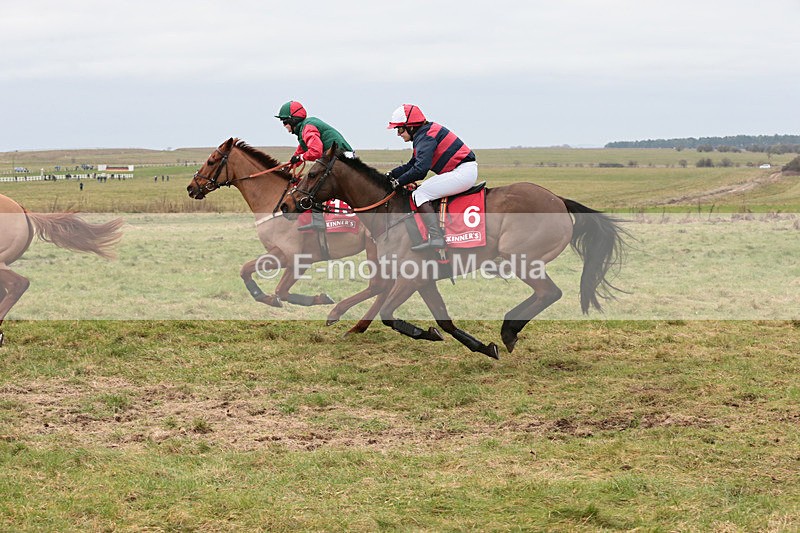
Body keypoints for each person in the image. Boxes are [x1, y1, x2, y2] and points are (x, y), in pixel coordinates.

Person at [386, 104, 478, 251]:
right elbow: (412, 164)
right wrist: (390, 175)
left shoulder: (426, 137)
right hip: (461, 171)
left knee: (420, 193)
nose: (398, 134)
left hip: (462, 172)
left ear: (410, 126)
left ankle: (437, 238)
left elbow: (420, 170)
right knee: (423, 191)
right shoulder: (424, 134)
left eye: (400, 129)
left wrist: (397, 182)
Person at [275, 100, 354, 231]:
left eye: (285, 122)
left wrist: (300, 157)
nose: (284, 126)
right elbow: (300, 151)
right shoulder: (304, 129)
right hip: (336, 158)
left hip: (342, 158)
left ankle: (318, 221)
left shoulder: (308, 128)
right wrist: (288, 166)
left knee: (314, 186)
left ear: (293, 120)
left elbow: (315, 151)